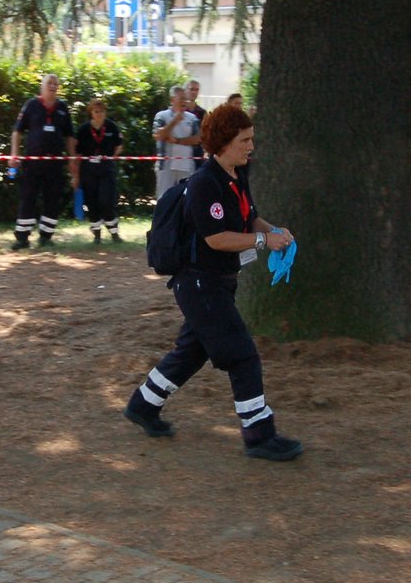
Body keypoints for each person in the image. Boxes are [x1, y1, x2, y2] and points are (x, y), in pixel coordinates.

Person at [123, 104, 303, 462]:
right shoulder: (206, 183)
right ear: (222, 143)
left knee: (191, 351)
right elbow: (217, 239)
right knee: (242, 354)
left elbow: (248, 218)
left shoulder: (237, 174)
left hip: (218, 282)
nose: (251, 146)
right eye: (244, 140)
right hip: (199, 284)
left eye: (251, 138)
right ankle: (258, 434)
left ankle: (143, 405)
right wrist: (264, 242)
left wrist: (274, 231)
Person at [9, 73, 75, 247]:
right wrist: (14, 154)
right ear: (42, 86)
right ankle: (22, 238)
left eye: (55, 83)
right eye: (49, 83)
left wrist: (72, 160)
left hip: (55, 164)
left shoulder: (62, 107)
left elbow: (69, 136)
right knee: (27, 197)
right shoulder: (31, 105)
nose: (52, 85)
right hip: (33, 163)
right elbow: (17, 131)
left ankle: (46, 236)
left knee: (52, 199)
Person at [74, 98, 124, 243]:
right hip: (88, 169)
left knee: (106, 200)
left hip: (106, 168)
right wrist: (75, 175)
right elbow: (78, 152)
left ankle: (114, 233)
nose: (99, 114)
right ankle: (96, 234)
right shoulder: (83, 129)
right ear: (91, 113)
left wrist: (113, 156)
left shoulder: (111, 127)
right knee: (91, 201)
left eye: (102, 111)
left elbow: (119, 144)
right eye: (96, 111)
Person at [153, 86, 201, 197]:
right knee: (164, 198)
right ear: (172, 100)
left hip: (186, 165)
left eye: (185, 99)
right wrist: (175, 120)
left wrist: (176, 140)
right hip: (165, 165)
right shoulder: (161, 116)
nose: (184, 102)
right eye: (181, 99)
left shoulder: (192, 118)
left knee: (187, 198)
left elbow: (197, 139)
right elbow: (158, 135)